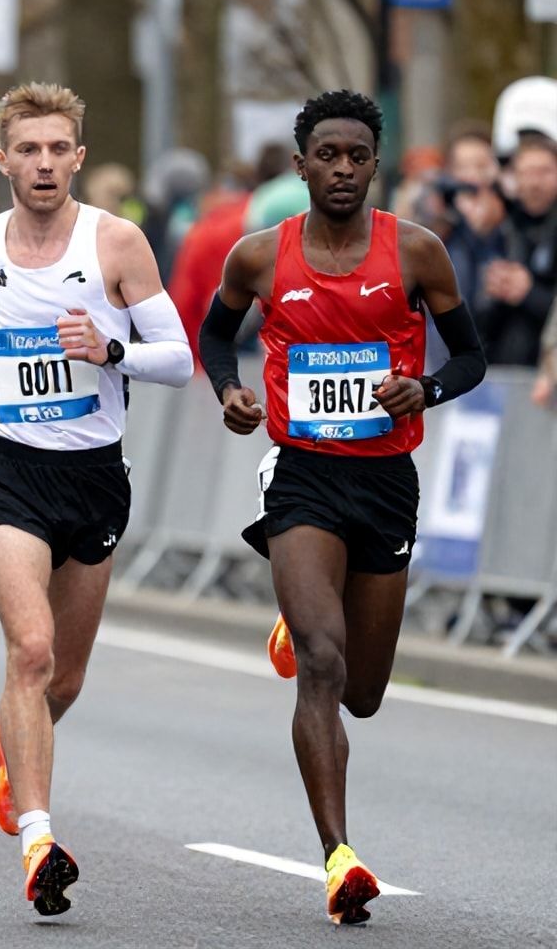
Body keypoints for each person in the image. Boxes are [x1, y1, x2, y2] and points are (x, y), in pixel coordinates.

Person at [197, 90, 486, 924]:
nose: (343, 170)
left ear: (376, 166)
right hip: (304, 477)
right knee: (323, 665)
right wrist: (230, 390)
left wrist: (425, 389)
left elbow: (469, 357)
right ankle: (339, 858)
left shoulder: (418, 252)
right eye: (328, 155)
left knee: (362, 692)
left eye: (358, 157)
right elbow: (215, 336)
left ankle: (302, 622)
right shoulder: (259, 257)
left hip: (386, 482)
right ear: (301, 165)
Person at [0, 82, 192, 916]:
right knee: (31, 650)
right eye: (27, 150)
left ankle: (14, 737)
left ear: (78, 156)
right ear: (3, 160)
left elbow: (178, 357)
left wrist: (111, 350)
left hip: (93, 472)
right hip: (7, 468)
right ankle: (40, 841)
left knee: (62, 682)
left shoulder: (116, 243)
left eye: (56, 150)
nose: (43, 164)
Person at [475, 135, 557, 367]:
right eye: (527, 173)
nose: (535, 183)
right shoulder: (500, 227)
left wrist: (529, 293)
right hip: (502, 367)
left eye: (544, 172)